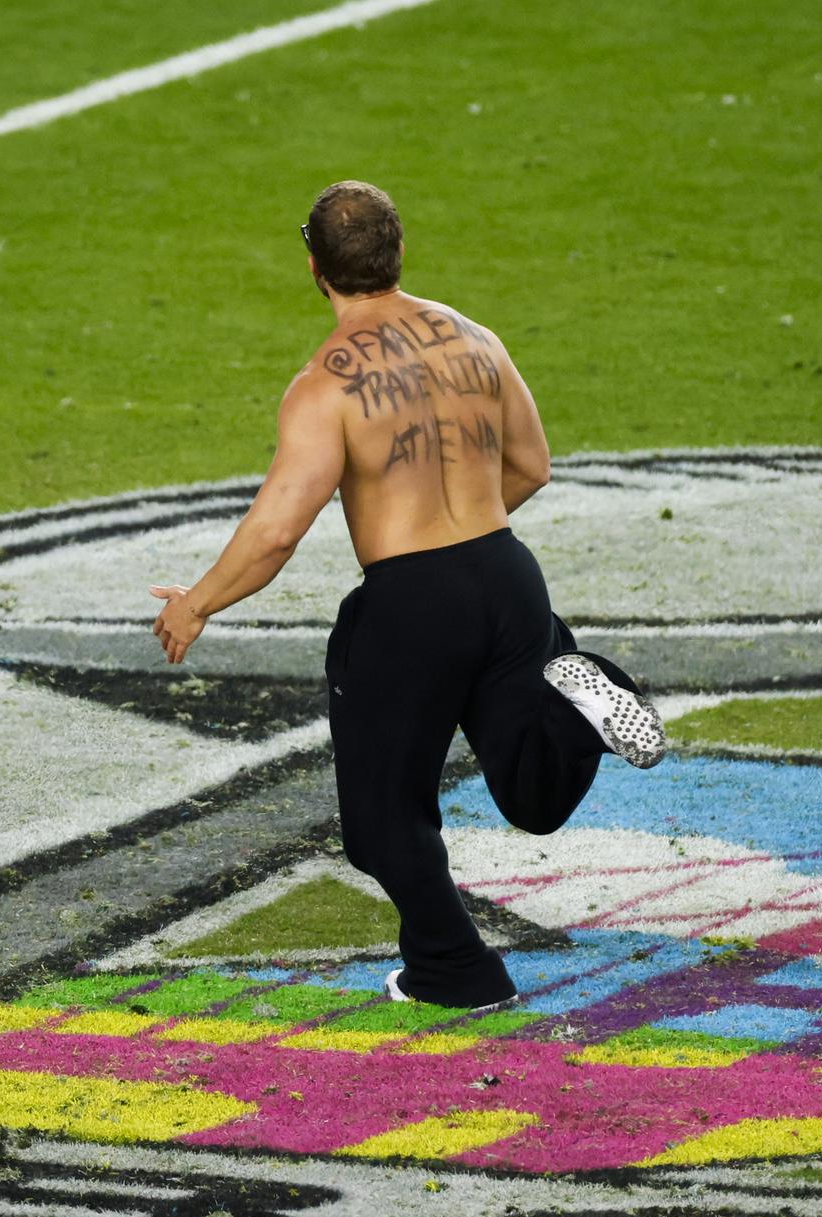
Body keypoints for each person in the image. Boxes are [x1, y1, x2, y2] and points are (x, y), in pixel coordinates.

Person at [150, 181, 665, 1009]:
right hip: (508, 575)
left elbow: (278, 529)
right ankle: (582, 697)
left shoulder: (324, 384)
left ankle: (453, 972)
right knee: (532, 792)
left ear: (314, 265)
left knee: (385, 818)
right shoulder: (477, 340)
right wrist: (470, 543)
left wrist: (197, 603)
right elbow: (532, 467)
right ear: (397, 255)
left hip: (411, 604)